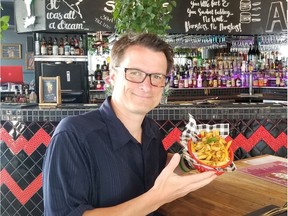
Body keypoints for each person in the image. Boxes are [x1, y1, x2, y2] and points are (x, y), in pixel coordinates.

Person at [42, 32, 217, 216]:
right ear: (112, 76)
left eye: (156, 76)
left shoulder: (150, 130)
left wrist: (192, 160)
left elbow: (157, 171)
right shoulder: (73, 135)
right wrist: (156, 198)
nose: (147, 86)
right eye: (134, 73)